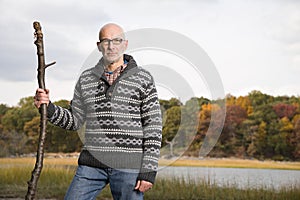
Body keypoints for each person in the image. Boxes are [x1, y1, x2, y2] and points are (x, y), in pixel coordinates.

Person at [34, 23, 162, 200]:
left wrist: (148, 171)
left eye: (116, 40)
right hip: (92, 164)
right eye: (106, 41)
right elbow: (75, 121)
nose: (111, 46)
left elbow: (153, 127)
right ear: (99, 46)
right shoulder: (86, 79)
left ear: (125, 44)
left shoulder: (143, 78)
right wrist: (48, 108)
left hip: (129, 166)